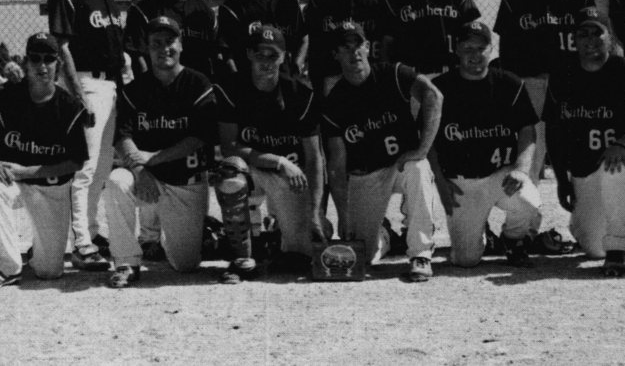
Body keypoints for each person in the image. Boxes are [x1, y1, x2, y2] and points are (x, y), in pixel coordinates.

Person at [544, 7, 625, 276]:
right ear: (574, 39)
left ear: (611, 38)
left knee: (614, 166)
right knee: (594, 248)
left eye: (598, 32)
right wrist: (561, 178)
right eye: (584, 33)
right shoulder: (563, 77)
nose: (590, 39)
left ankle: (618, 251)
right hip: (584, 171)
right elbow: (554, 131)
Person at [322, 21, 442, 282]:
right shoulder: (335, 101)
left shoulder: (394, 73)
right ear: (336, 54)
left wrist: (422, 148)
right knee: (362, 256)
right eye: (345, 46)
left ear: (367, 47)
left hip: (401, 164)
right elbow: (336, 165)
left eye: (358, 45)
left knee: (418, 167)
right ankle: (386, 236)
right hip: (366, 175)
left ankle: (420, 253)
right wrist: (343, 215)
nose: (354, 52)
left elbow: (433, 96)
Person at [103, 16, 216, 288]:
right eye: (156, 43)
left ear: (181, 45)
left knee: (184, 265)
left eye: (170, 42)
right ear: (147, 49)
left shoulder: (197, 83)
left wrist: (153, 159)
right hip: (148, 179)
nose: (164, 48)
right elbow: (121, 137)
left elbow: (200, 137)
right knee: (117, 181)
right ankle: (127, 262)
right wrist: (140, 170)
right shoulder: (134, 90)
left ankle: (201, 231)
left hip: (184, 182)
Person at [124, 0, 218, 260]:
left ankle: (196, 226)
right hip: (153, 97)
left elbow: (210, 57)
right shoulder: (146, 7)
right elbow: (138, 57)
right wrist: (148, 94)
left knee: (194, 164)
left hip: (191, 97)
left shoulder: (202, 10)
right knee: (151, 163)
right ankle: (149, 237)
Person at [214, 25, 329, 278]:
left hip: (290, 176)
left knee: (303, 252)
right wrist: (277, 160)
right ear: (248, 54)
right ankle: (243, 255)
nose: (266, 61)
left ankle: (275, 238)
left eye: (273, 55)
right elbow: (229, 145)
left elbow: (314, 157)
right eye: (260, 54)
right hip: (254, 167)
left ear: (285, 57)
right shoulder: (231, 89)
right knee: (230, 175)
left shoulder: (301, 95)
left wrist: (315, 211)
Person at [0, 33, 88, 290]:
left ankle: (37, 253)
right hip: (13, 182)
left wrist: (25, 171)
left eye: (49, 59)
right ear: (26, 63)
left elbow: (76, 162)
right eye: (35, 59)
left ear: (57, 65)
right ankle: (7, 268)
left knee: (49, 272)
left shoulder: (68, 105)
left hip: (51, 187)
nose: (42, 65)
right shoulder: (7, 98)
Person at [429, 21, 542, 268]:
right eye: (468, 48)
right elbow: (428, 142)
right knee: (466, 260)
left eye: (481, 48)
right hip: (461, 183)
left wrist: (521, 170)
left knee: (529, 201)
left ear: (492, 49)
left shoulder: (509, 83)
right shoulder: (439, 88)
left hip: (500, 175)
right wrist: (439, 180)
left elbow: (527, 129)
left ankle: (513, 240)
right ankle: (482, 238)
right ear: (456, 50)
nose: (475, 55)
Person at [494, 0, 596, 185]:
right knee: (532, 152)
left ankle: (583, 219)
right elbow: (505, 48)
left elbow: (595, 38)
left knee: (578, 149)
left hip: (570, 82)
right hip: (532, 83)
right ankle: (526, 224)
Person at [47, 0, 122, 270]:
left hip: (111, 86)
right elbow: (61, 46)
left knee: (103, 167)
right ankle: (80, 242)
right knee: (85, 168)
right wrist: (78, 94)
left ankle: (91, 232)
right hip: (88, 84)